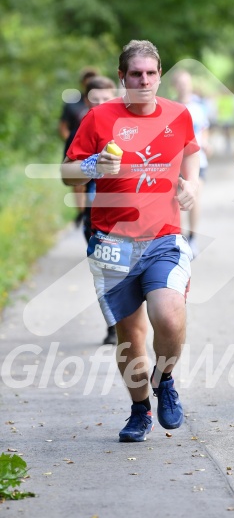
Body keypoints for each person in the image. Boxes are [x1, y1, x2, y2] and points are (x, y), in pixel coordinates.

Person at [61, 40, 200, 441]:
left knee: (169, 317)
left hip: (163, 237)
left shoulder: (178, 115)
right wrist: (93, 164)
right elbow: (68, 174)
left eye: (151, 73)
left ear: (160, 76)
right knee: (131, 334)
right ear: (122, 76)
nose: (143, 80)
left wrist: (190, 186)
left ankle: (166, 379)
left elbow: (189, 156)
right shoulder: (99, 118)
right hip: (112, 241)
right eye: (135, 73)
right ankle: (140, 411)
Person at [80, 75, 118, 345]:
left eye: (107, 99)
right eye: (96, 100)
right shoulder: (84, 127)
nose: (102, 105)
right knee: (107, 272)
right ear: (86, 101)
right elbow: (69, 172)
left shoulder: (127, 125)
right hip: (96, 209)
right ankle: (114, 325)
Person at [173, 70, 211, 257]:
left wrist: (206, 142)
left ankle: (193, 238)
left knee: (194, 198)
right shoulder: (169, 107)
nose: (183, 86)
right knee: (177, 202)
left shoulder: (199, 107)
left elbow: (204, 128)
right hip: (175, 161)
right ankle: (178, 239)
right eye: (180, 83)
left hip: (198, 160)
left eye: (186, 82)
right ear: (175, 86)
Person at [59, 67, 99, 226]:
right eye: (86, 78)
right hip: (77, 144)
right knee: (77, 180)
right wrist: (71, 140)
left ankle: (89, 213)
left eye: (92, 77)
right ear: (82, 82)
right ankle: (82, 212)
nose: (89, 80)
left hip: (97, 146)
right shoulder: (72, 104)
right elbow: (62, 126)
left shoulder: (102, 99)